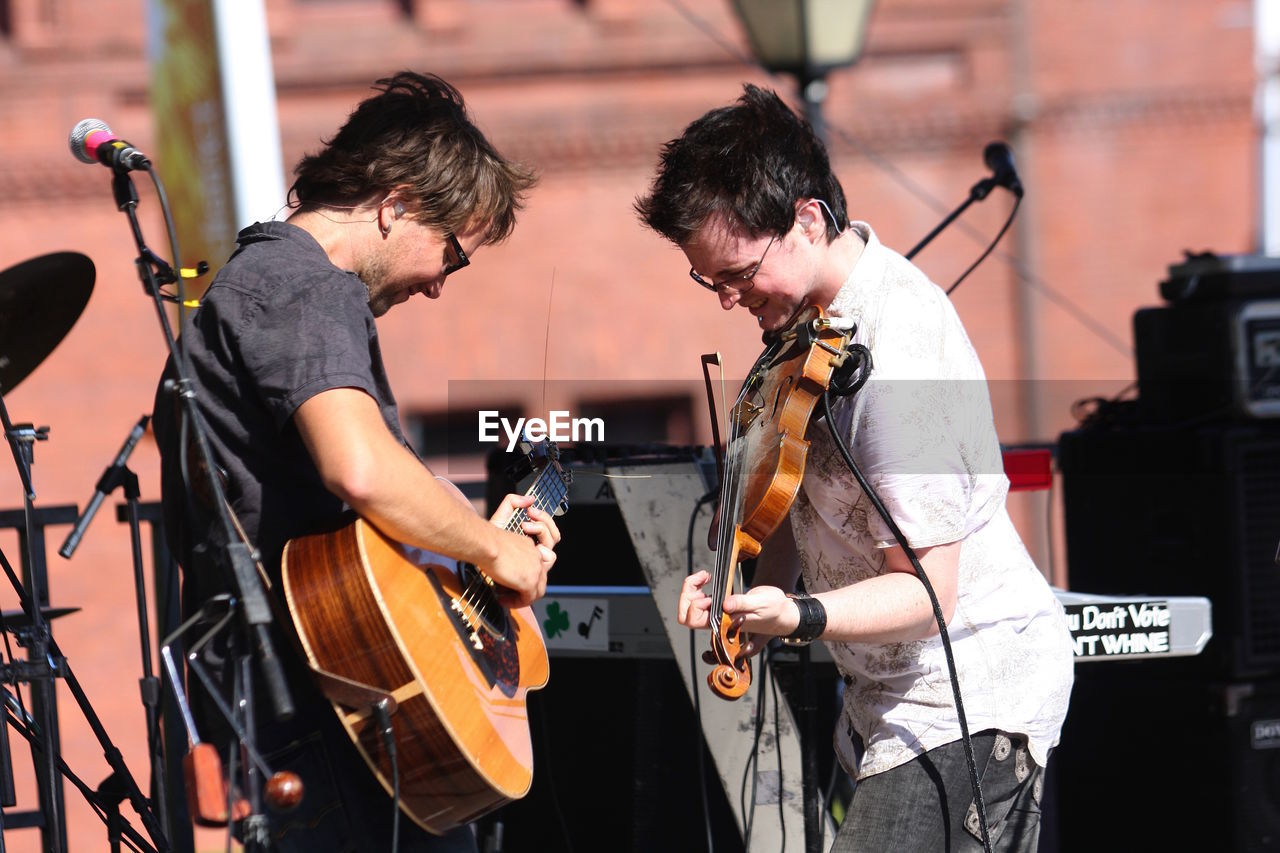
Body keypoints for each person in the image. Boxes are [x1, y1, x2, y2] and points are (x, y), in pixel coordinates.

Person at [635, 84, 1074, 852]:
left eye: (738, 273)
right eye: (712, 282)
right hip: (885, 700)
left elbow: (926, 591)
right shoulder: (811, 327)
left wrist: (797, 615)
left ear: (807, 219)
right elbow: (793, 504)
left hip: (968, 693)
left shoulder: (898, 347)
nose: (729, 299)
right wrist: (742, 583)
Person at [152, 72, 559, 853]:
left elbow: (347, 516)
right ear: (396, 202)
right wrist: (493, 546)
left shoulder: (255, 288)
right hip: (326, 713)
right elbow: (360, 469)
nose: (442, 284)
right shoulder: (307, 286)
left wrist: (460, 542)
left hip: (301, 703)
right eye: (453, 254)